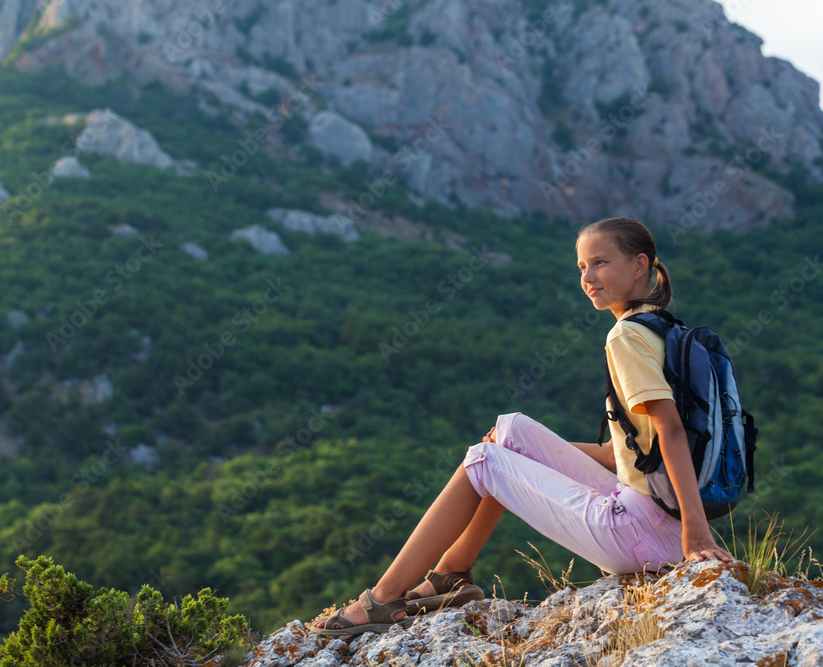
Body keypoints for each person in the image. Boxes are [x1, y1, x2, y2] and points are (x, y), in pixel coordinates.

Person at [310, 217, 734, 637]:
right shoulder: (664, 328)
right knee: (509, 430)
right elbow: (617, 455)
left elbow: (672, 431)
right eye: (582, 267)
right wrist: (522, 453)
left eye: (601, 263)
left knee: (482, 460)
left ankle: (383, 598)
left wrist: (696, 533)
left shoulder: (626, 337)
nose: (588, 277)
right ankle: (449, 575)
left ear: (640, 264)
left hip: (638, 534)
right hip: (658, 517)